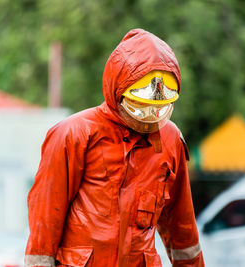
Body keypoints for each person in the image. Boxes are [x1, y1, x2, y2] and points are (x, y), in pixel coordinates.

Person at [25, 28, 204, 267]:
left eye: (158, 109)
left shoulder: (170, 140)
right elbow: (46, 221)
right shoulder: (74, 134)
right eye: (141, 107)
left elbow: (182, 227)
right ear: (116, 92)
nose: (149, 117)